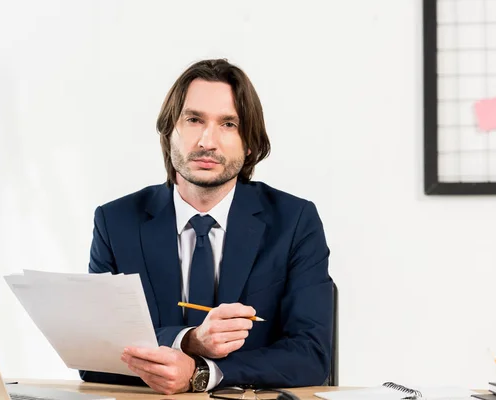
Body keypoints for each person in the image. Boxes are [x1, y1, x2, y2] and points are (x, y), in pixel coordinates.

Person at [79, 59, 333, 395]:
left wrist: (202, 373)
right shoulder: (116, 222)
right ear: (169, 131)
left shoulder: (295, 221)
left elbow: (311, 356)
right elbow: (96, 353)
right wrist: (191, 341)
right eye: (194, 119)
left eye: (228, 124)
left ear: (251, 143)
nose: (207, 141)